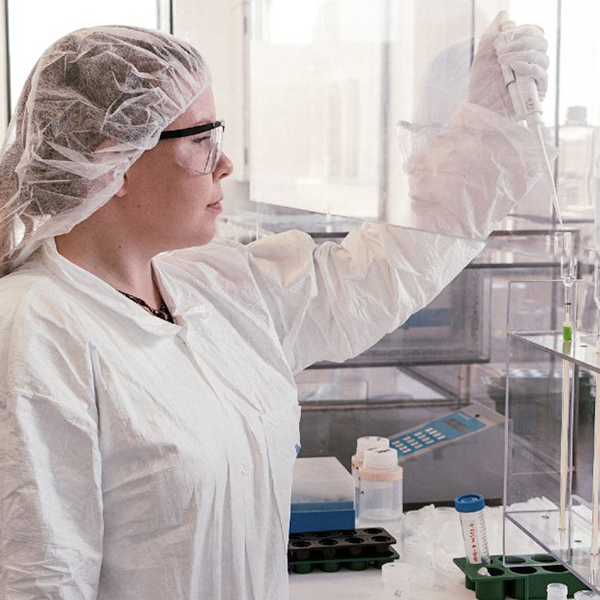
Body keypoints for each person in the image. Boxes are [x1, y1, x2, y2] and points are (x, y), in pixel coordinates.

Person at [0, 15, 550, 600]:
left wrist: (485, 124)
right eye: (201, 139)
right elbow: (41, 576)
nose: (225, 164)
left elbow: (380, 272)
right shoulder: (35, 330)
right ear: (117, 162)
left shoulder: (212, 285)